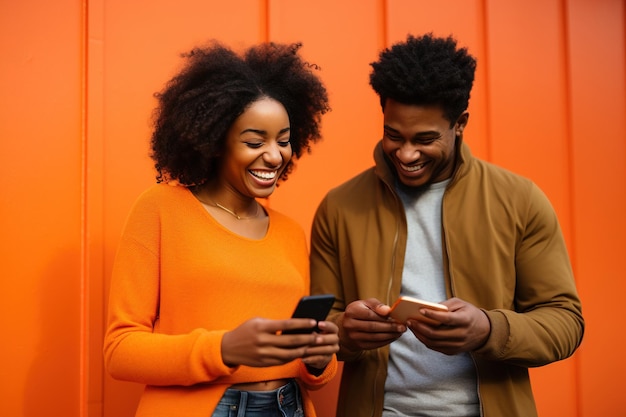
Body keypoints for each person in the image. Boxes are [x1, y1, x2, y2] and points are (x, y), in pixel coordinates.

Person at [309, 33, 584, 417]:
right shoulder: (339, 207)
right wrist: (345, 332)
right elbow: (317, 329)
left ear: (460, 124)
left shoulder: (520, 200)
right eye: (393, 135)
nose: (406, 154)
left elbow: (565, 322)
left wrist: (488, 329)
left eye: (425, 139)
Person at [103, 40, 339, 417]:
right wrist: (223, 348)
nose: (275, 155)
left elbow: (307, 368)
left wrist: (317, 359)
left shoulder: (290, 232)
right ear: (214, 142)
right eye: (254, 141)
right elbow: (120, 350)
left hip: (289, 405)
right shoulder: (161, 209)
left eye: (283, 141)